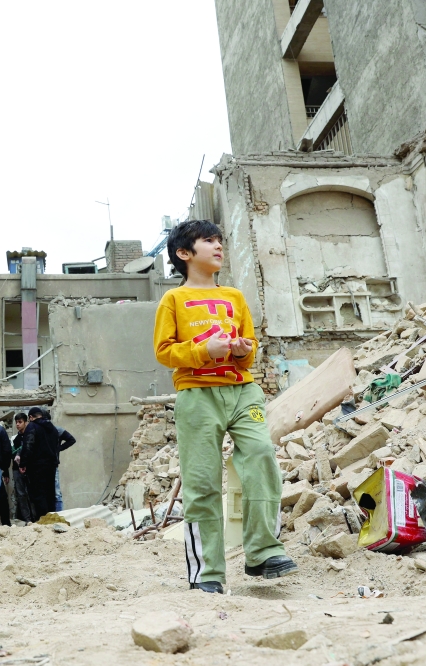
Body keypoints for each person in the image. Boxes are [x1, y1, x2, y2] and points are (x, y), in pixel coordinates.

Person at [154, 219, 296, 595]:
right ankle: (208, 573)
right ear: (185, 254)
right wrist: (204, 351)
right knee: (201, 482)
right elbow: (164, 352)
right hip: (197, 397)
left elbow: (249, 346)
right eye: (208, 241)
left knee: (262, 454)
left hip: (242, 390)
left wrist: (243, 350)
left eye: (220, 240)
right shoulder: (173, 300)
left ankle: (263, 552)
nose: (218, 246)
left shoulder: (234, 297)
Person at [19, 406, 61, 518]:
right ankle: (51, 520)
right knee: (50, 494)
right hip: (51, 466)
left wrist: (23, 463)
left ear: (31, 417)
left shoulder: (32, 426)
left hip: (37, 467)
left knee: (38, 494)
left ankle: (42, 521)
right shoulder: (52, 428)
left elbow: (28, 446)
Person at [11, 412, 34, 522]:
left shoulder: (31, 436)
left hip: (30, 469)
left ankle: (35, 518)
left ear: (26, 422)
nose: (17, 424)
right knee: (21, 494)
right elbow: (11, 454)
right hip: (17, 470)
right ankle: (27, 519)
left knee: (32, 493)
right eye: (16, 422)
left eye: (20, 422)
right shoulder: (14, 438)